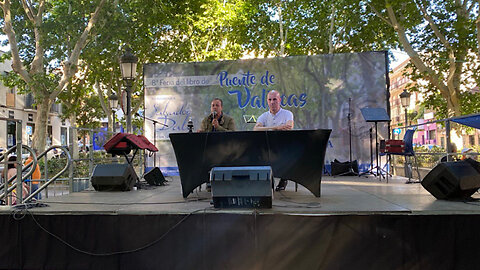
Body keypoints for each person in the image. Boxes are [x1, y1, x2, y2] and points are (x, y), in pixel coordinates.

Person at [254, 90, 294, 191]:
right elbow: (256, 129)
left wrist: (267, 128)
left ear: (279, 100)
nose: (272, 102)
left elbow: (289, 126)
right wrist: (277, 128)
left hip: (284, 146)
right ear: (267, 101)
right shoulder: (263, 116)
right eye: (270, 100)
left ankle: (284, 179)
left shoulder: (287, 113)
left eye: (275, 99)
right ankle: (268, 180)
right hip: (268, 147)